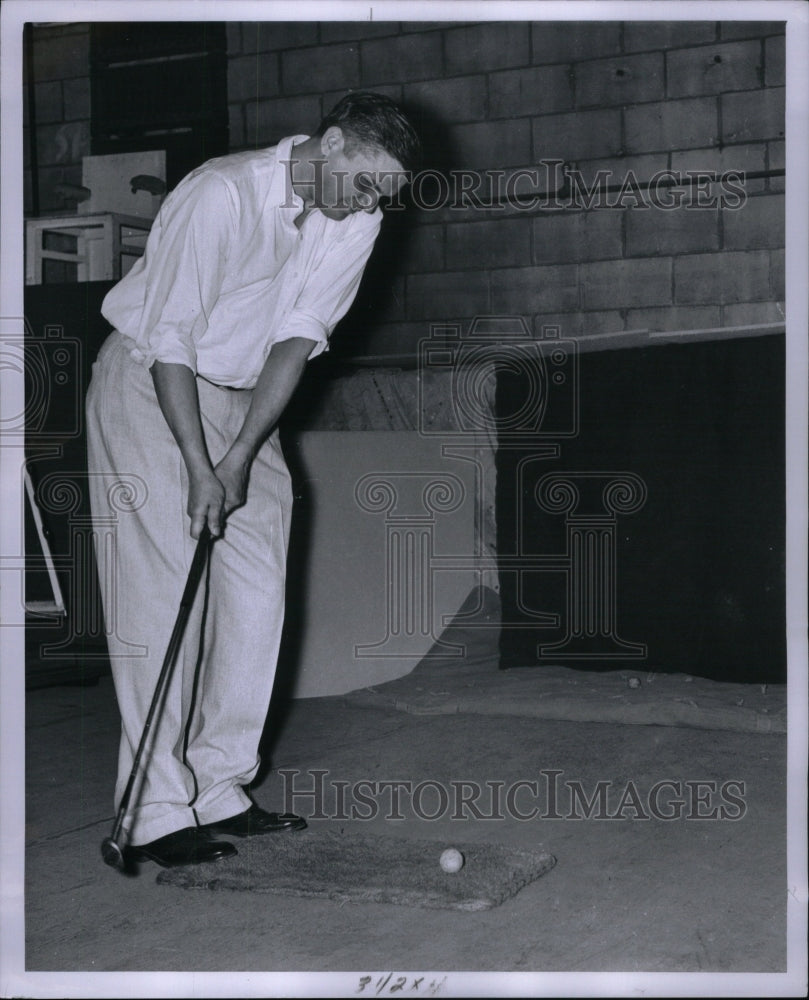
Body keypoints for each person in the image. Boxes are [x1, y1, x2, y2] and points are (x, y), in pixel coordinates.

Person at [86, 92, 420, 868]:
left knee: (256, 584)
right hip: (150, 381)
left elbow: (297, 341)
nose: (373, 205)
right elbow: (168, 339)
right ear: (330, 144)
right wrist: (200, 465)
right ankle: (155, 811)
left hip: (242, 396)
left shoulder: (354, 221)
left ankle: (219, 787)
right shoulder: (221, 193)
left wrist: (237, 457)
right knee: (164, 587)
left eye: (386, 197)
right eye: (367, 184)